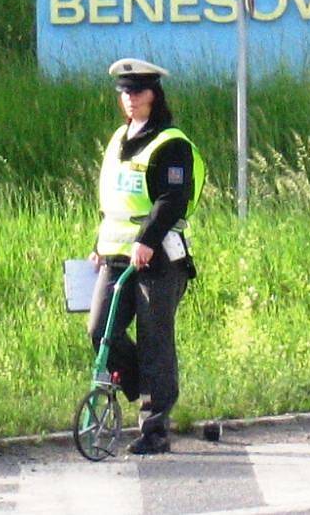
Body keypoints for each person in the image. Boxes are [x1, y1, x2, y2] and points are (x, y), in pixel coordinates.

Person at [87, 58, 205, 454]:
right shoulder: (119, 137)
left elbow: (173, 199)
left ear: (155, 95)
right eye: (125, 92)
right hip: (116, 252)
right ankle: (141, 387)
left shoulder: (170, 143)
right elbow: (113, 199)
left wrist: (148, 240)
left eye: (137, 92)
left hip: (158, 258)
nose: (129, 99)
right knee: (101, 330)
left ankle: (155, 428)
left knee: (155, 340)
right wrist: (98, 244)